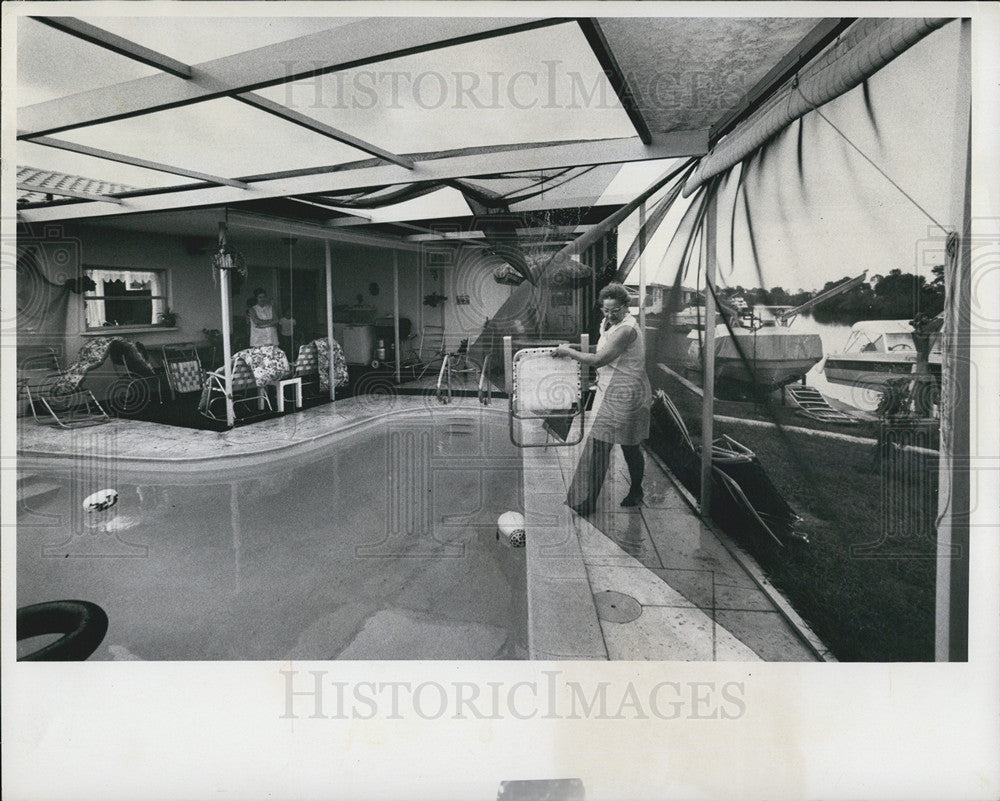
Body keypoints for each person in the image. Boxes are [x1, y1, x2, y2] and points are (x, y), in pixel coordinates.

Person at [553, 282, 652, 514]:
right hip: (611, 390)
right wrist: (573, 346)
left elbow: (599, 359)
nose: (609, 314)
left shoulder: (627, 329)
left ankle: (636, 490)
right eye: (605, 309)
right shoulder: (609, 323)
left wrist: (569, 352)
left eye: (614, 310)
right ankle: (591, 501)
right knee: (600, 446)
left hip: (628, 393)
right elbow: (600, 349)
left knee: (630, 446)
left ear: (627, 306)